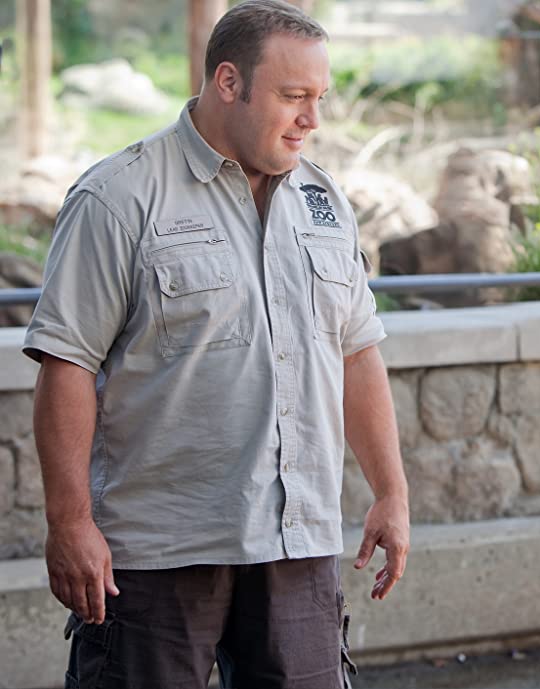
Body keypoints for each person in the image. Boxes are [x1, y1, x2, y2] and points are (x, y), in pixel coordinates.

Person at [23, 2, 409, 687]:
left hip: (297, 543)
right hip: (157, 554)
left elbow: (355, 351)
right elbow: (67, 363)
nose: (312, 119)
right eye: (293, 96)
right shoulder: (119, 197)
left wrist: (391, 491)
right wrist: (70, 522)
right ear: (228, 82)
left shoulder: (324, 203)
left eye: (319, 98)